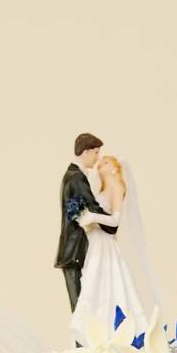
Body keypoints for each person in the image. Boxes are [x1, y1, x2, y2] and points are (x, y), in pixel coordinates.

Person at [69, 153, 148, 340]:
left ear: (114, 168)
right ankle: (94, 331)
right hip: (94, 241)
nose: (99, 165)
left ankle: (113, 332)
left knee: (104, 282)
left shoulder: (117, 187)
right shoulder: (102, 190)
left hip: (104, 244)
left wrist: (93, 217)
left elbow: (115, 220)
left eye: (105, 162)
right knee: (92, 281)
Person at [55, 133, 112, 313]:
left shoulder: (73, 174)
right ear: (86, 152)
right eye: (96, 153)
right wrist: (112, 226)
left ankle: (83, 340)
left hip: (73, 249)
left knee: (81, 303)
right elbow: (93, 206)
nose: (98, 158)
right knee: (80, 305)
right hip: (74, 250)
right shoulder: (76, 177)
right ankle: (82, 341)